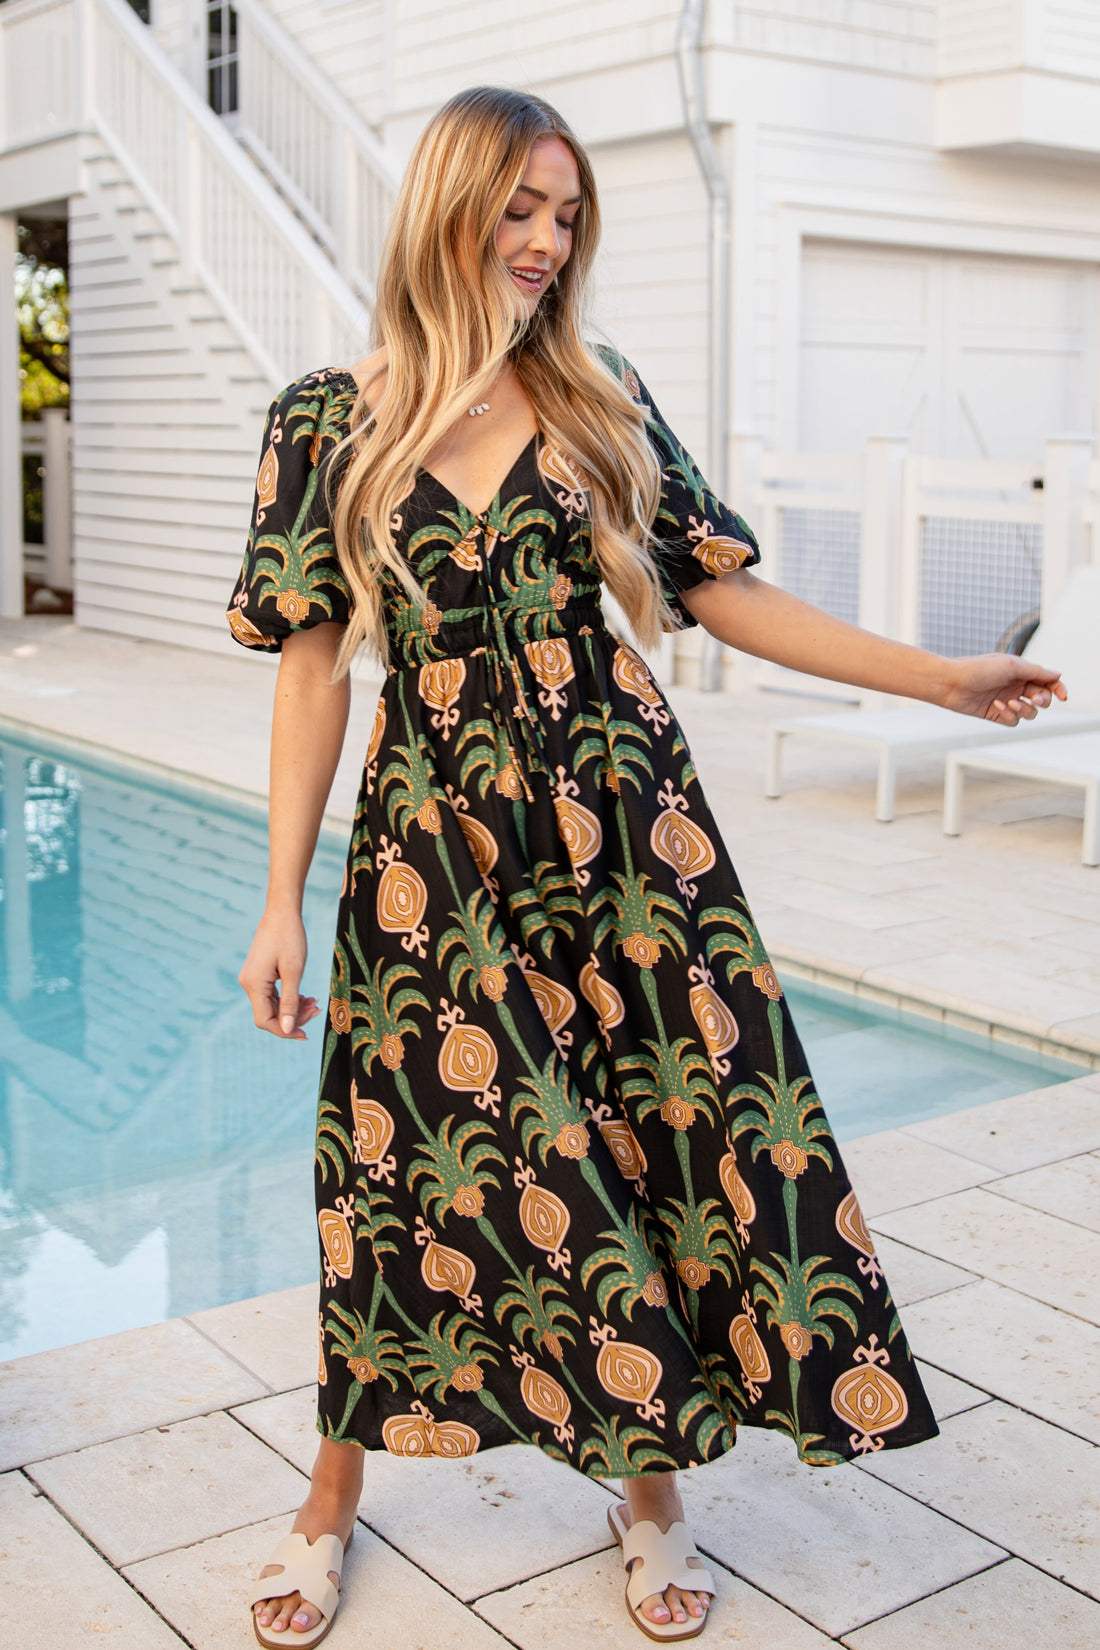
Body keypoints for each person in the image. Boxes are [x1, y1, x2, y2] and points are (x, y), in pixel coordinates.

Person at [228, 86, 1064, 1648]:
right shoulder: (326, 418)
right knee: (403, 1163)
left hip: (628, 839)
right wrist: (280, 894)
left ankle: (654, 1490)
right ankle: (330, 1494)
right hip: (437, 852)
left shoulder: (601, 394)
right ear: (449, 207)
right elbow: (313, 669)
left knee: (655, 1134)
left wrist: (934, 679)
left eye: (566, 215)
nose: (545, 240)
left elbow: (721, 593)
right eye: (520, 207)